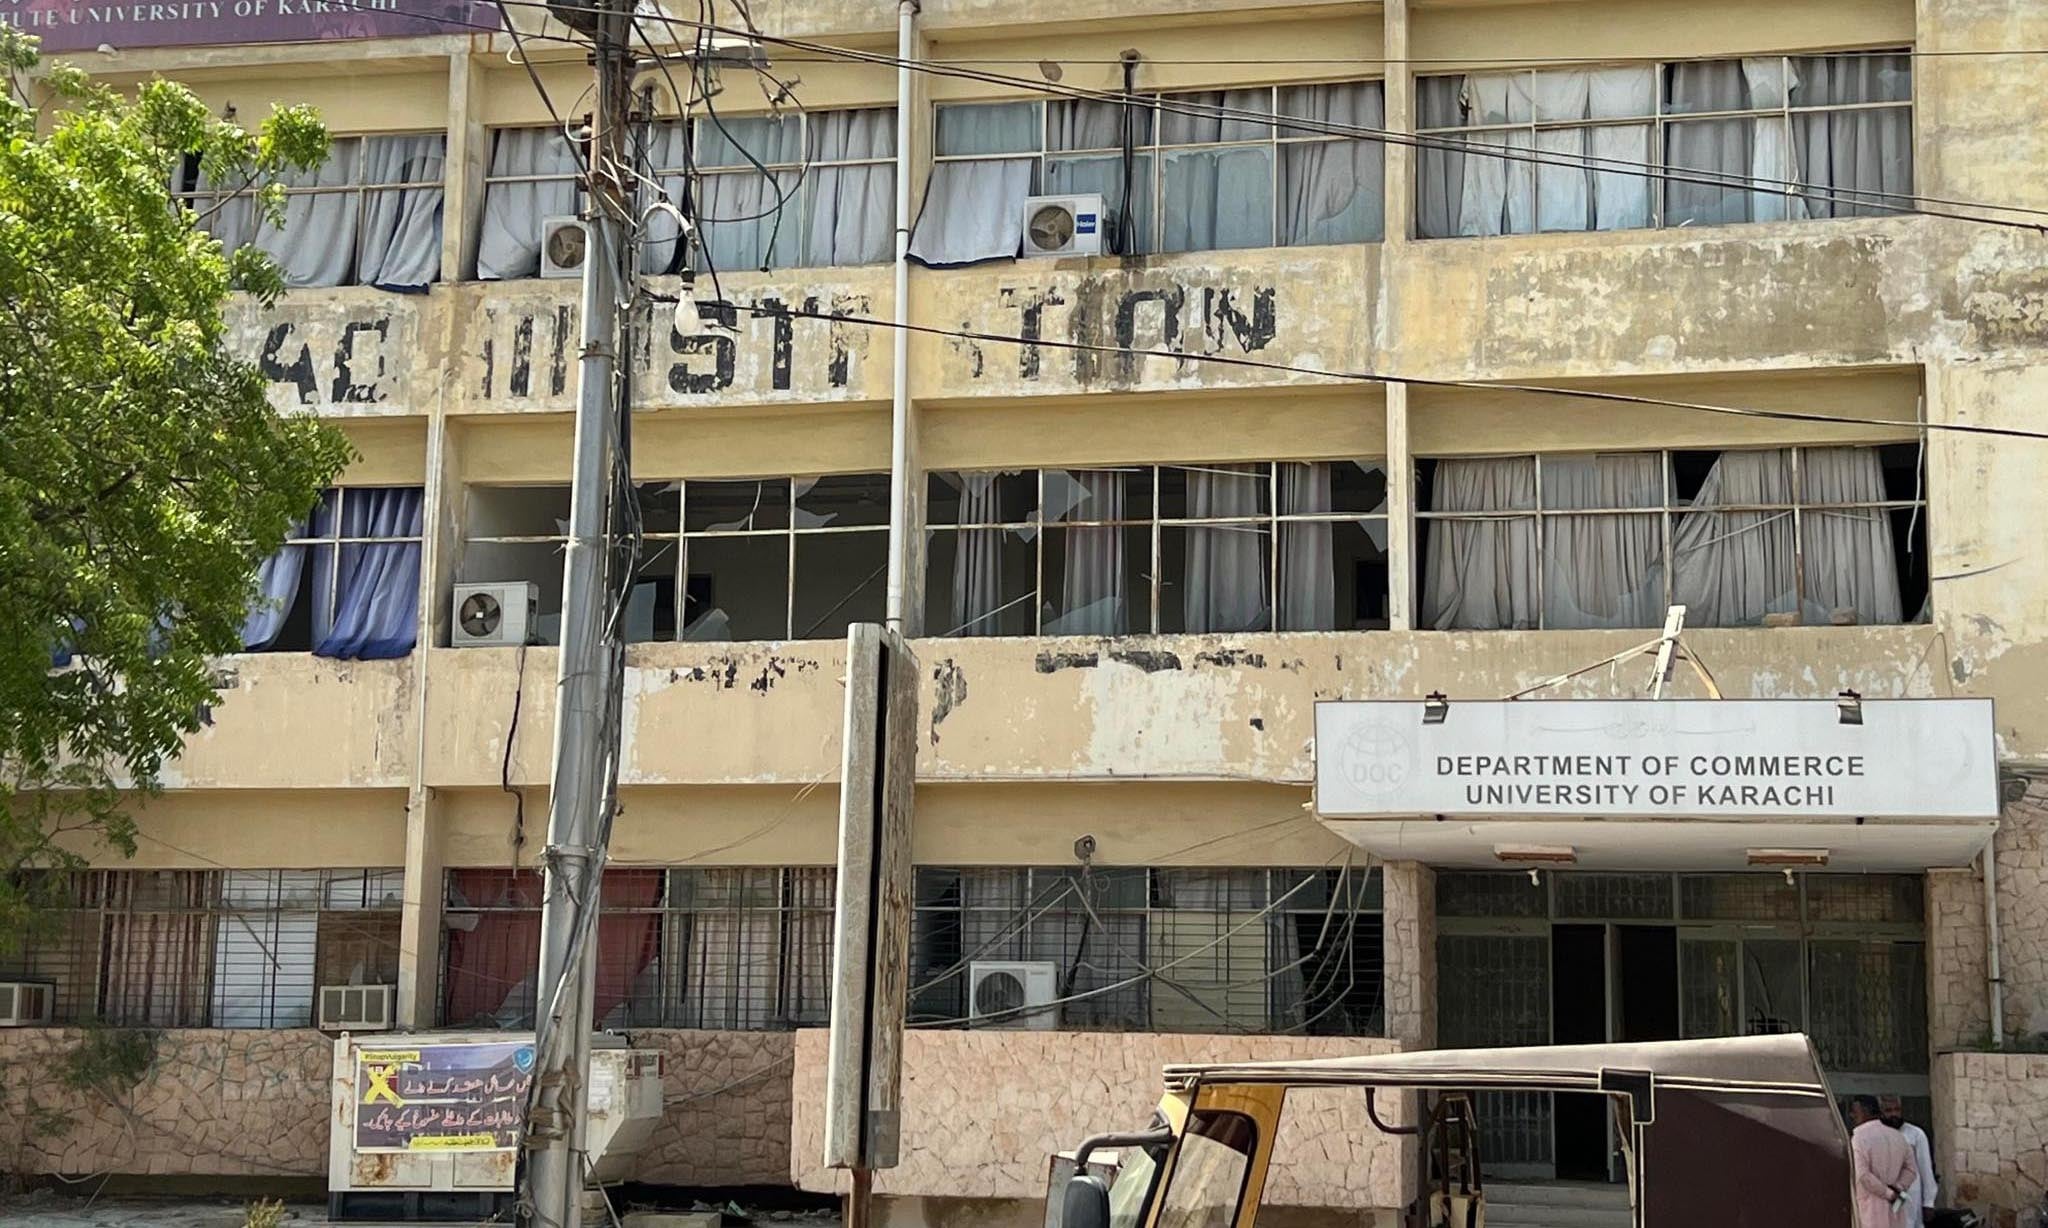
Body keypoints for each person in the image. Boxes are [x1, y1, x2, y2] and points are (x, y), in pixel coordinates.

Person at [1851, 1094, 1919, 1228]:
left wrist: (1888, 1193)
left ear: (1864, 1111)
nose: (1852, 1116)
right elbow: (1911, 1170)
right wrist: (1898, 1188)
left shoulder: (1859, 1138)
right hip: (1896, 1211)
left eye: (1854, 1112)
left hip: (1870, 1213)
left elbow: (1863, 1175)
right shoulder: (1898, 1136)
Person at [1879, 1094, 1940, 1228]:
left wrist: (1929, 1202)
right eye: (1889, 1111)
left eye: (1897, 1109)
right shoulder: (1877, 1134)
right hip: (1885, 1196)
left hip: (1911, 1196)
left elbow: (1926, 1170)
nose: (1894, 1114)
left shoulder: (1915, 1134)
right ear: (1881, 1112)